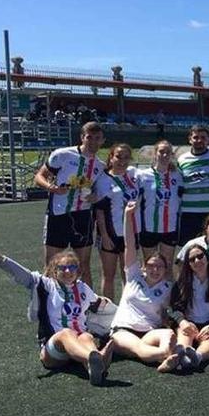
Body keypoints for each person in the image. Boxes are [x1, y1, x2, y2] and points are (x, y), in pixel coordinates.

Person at [0, 237, 114, 386]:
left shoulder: (83, 289)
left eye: (72, 267)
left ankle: (94, 368)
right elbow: (20, 273)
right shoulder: (45, 285)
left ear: (78, 271)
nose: (68, 271)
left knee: (86, 335)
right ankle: (96, 358)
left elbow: (103, 307)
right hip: (53, 350)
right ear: (54, 270)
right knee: (67, 333)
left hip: (78, 344)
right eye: (62, 268)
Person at [34, 121, 106, 287]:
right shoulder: (63, 155)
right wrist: (52, 188)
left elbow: (99, 193)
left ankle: (86, 306)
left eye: (97, 138)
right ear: (82, 137)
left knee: (83, 266)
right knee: (52, 265)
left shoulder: (100, 167)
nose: (93, 142)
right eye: (89, 137)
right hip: (58, 214)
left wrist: (94, 197)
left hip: (83, 216)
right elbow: (39, 177)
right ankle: (47, 304)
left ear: (103, 141)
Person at [110, 201, 179, 373]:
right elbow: (129, 244)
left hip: (150, 331)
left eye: (159, 267)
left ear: (165, 270)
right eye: (151, 266)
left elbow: (172, 312)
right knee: (139, 348)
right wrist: (128, 215)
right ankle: (165, 355)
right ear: (143, 267)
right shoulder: (134, 276)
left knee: (169, 335)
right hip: (123, 330)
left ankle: (164, 358)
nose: (155, 270)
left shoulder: (168, 287)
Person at [166, 243, 209, 371]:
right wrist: (183, 322)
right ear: (188, 264)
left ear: (207, 258)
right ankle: (182, 357)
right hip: (190, 322)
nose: (197, 261)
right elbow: (173, 308)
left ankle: (197, 357)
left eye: (200, 256)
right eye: (192, 259)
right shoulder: (182, 284)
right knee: (184, 335)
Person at [94, 143, 140, 300]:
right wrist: (105, 237)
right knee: (108, 275)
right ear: (111, 157)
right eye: (118, 156)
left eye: (126, 157)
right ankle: (108, 311)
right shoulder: (103, 180)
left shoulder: (134, 174)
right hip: (110, 233)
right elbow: (99, 211)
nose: (122, 160)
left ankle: (128, 309)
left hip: (131, 233)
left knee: (129, 274)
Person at [137, 140, 181, 277]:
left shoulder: (177, 175)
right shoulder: (142, 175)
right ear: (155, 154)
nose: (164, 155)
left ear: (172, 155)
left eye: (168, 152)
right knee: (149, 265)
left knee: (167, 266)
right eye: (161, 151)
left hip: (170, 228)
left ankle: (168, 298)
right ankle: (147, 297)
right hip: (149, 228)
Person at [177, 125, 209, 246]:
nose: (199, 140)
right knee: (189, 251)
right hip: (188, 214)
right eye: (196, 137)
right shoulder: (182, 159)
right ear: (190, 139)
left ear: (208, 139)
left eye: (203, 137)